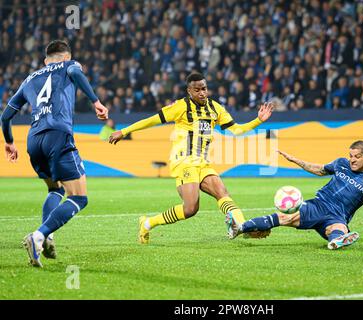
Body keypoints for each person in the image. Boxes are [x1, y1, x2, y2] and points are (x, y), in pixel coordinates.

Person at [109, 72, 274, 244]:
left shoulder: (215, 108)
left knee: (221, 191)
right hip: (184, 162)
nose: (202, 93)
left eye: (204, 89)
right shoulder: (180, 107)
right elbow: (152, 120)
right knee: (190, 209)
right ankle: (148, 223)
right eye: (197, 90)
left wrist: (258, 120)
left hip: (202, 163)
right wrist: (124, 131)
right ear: (189, 91)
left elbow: (237, 130)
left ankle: (242, 226)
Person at [0, 40, 108, 267]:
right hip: (58, 135)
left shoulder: (29, 79)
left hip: (34, 140)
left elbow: (5, 117)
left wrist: (9, 142)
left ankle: (47, 237)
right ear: (66, 56)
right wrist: (95, 101)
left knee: (55, 189)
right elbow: (76, 74)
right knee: (79, 197)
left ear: (45, 60)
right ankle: (38, 236)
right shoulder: (69, 65)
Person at [226, 141, 363, 250]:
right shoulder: (341, 164)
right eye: (351, 155)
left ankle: (336, 241)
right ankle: (239, 228)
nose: (352, 160)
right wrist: (295, 160)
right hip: (319, 205)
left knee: (339, 229)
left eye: (356, 156)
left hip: (338, 216)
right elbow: (319, 169)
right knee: (286, 217)